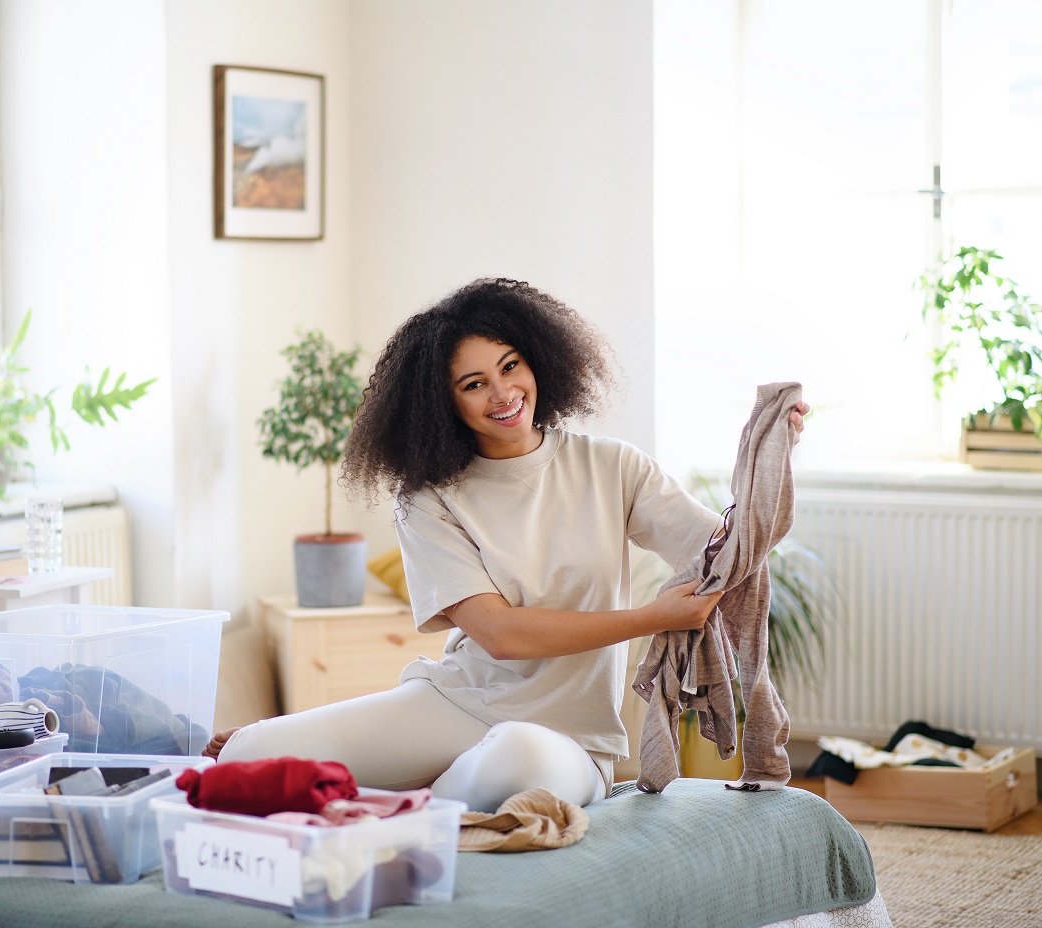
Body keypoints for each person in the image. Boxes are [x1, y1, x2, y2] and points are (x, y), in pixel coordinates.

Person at [211, 278, 808, 812]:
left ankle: (400, 806)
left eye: (511, 365)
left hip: (568, 739)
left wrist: (773, 456)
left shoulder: (612, 467)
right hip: (459, 704)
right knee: (252, 750)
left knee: (515, 760)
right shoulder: (427, 499)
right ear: (444, 405)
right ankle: (418, 790)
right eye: (475, 384)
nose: (503, 393)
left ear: (540, 360)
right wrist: (651, 618)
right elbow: (500, 635)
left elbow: (726, 554)